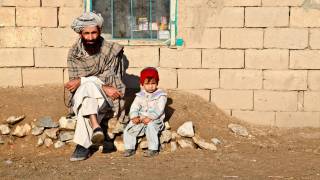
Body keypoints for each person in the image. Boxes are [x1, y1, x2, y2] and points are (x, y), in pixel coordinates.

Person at [65, 12, 128, 161]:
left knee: (88, 91)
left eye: (94, 32)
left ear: (99, 31)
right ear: (80, 33)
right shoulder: (74, 54)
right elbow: (75, 86)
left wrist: (82, 80)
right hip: (83, 96)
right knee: (87, 92)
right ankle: (95, 127)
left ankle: (82, 147)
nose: (91, 37)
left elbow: (110, 78)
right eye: (86, 33)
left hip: (106, 97)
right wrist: (85, 81)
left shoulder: (110, 50)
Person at [123, 67, 167, 157]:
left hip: (155, 119)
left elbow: (159, 109)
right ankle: (129, 148)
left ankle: (153, 149)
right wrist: (134, 116)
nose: (150, 86)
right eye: (147, 84)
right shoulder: (140, 95)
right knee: (129, 127)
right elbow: (134, 107)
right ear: (142, 84)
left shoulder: (161, 95)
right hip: (141, 118)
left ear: (157, 83)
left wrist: (150, 117)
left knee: (151, 126)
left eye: (153, 83)